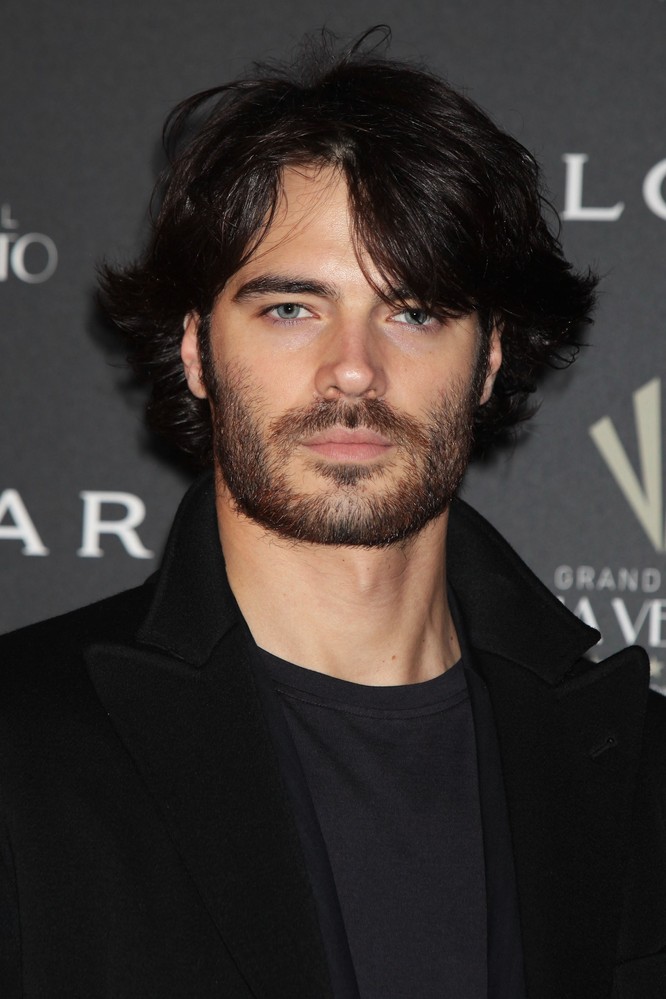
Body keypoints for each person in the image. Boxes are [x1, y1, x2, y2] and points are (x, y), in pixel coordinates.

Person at [1, 29, 664, 999]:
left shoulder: (642, 774)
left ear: (487, 360)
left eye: (414, 312)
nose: (353, 370)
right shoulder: (22, 748)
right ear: (196, 351)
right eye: (290, 309)